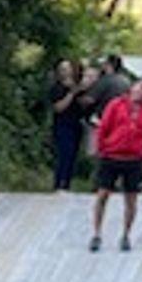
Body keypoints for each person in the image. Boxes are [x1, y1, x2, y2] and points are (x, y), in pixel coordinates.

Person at [90, 76, 142, 252]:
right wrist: (102, 148)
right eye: (139, 87)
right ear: (132, 88)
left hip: (134, 159)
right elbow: (104, 127)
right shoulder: (116, 105)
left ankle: (126, 234)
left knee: (131, 198)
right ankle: (97, 233)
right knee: (103, 194)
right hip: (111, 155)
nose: (141, 92)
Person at [47, 59, 87, 190]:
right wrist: (71, 95)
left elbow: (84, 105)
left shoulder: (78, 86)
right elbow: (58, 107)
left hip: (76, 124)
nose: (65, 72)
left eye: (67, 68)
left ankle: (67, 183)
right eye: (62, 69)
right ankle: (59, 183)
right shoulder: (56, 88)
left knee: (73, 155)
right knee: (64, 153)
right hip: (62, 125)